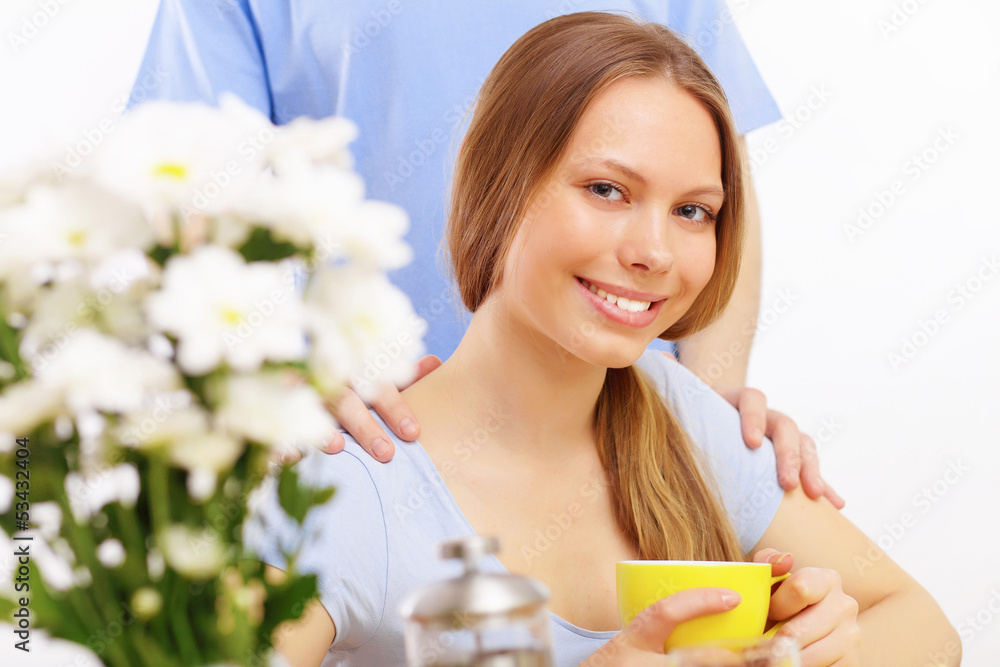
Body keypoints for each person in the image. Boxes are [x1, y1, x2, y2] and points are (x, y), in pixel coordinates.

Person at [244, 13, 957, 666]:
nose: (656, 252)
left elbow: (927, 627)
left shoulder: (686, 421)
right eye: (607, 190)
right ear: (501, 186)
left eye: (692, 210)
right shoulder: (349, 486)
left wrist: (800, 652)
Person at [132, 0, 843, 506]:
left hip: (627, 460)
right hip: (381, 446)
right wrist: (269, 380)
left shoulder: (701, 446)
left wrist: (712, 421)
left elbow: (711, 186)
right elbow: (193, 196)